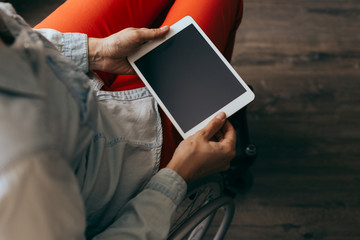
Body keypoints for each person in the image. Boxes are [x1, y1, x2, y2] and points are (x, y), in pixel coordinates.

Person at [0, 0, 242, 239]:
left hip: (44, 63)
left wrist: (95, 51)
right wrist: (176, 176)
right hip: (116, 157)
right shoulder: (20, 182)